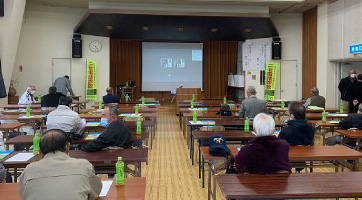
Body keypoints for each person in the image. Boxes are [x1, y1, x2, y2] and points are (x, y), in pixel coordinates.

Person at [19, 129, 102, 200]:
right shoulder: (84, 165)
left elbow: (24, 196)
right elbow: (95, 192)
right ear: (68, 146)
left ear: (40, 151)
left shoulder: (29, 170)